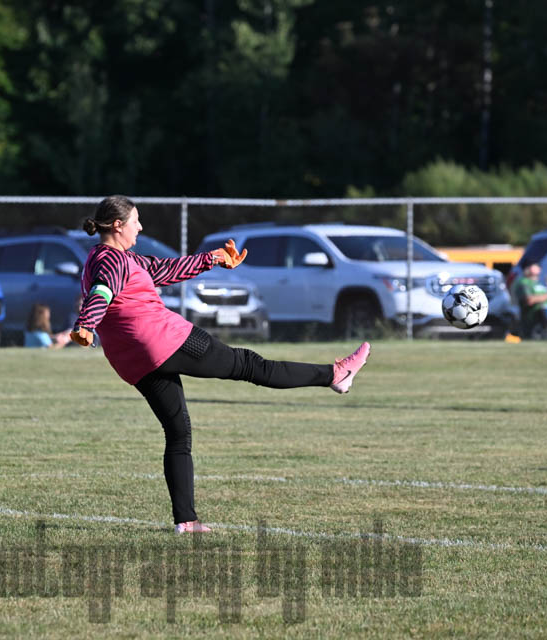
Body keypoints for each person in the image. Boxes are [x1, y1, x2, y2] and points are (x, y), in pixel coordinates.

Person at [69, 195, 371, 534]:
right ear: (118, 225)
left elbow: (165, 270)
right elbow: (102, 292)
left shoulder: (112, 258)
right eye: (136, 221)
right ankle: (335, 374)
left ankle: (187, 521)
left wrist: (213, 258)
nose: (140, 226)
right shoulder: (111, 260)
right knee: (249, 364)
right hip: (164, 339)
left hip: (132, 360)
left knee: (178, 431)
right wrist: (86, 324)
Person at [513, 260, 547, 337]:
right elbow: (529, 300)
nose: (539, 267)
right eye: (535, 265)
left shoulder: (540, 283)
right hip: (534, 315)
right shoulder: (523, 282)